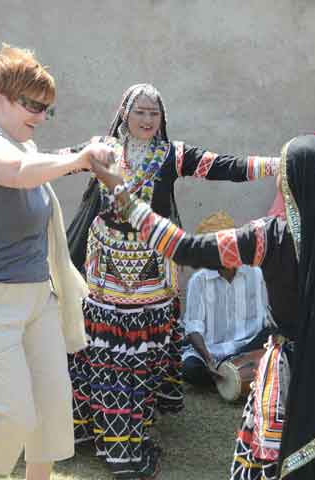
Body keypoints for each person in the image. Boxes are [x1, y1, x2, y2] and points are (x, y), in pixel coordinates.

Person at [90, 134, 315, 479]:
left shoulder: (267, 237)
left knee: (277, 459)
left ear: (291, 182)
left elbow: (183, 248)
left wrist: (124, 198)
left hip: (293, 373)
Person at [61, 83, 280, 479]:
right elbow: (60, 162)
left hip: (152, 275)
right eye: (140, 111)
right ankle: (98, 428)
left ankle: (130, 427)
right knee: (101, 351)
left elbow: (227, 166)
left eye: (154, 113)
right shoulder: (101, 150)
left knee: (143, 354)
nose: (147, 120)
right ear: (124, 112)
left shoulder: (172, 155)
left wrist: (282, 164)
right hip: (105, 273)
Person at [0, 45, 112, 480]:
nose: (41, 116)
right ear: (0, 96)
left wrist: (86, 152)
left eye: (47, 108)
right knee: (12, 416)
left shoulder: (18, 143)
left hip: (35, 297)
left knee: (49, 407)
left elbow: (34, 163)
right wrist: (81, 160)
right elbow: (15, 171)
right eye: (33, 105)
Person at [182, 211, 274, 388]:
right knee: (190, 369)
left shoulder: (255, 274)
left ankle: (235, 373)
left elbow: (266, 319)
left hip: (247, 346)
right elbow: (193, 327)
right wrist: (209, 360)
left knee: (272, 335)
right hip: (212, 351)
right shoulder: (199, 281)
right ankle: (230, 374)